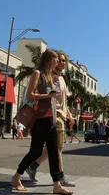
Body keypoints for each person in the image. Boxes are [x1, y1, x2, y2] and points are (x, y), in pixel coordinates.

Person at [11, 49, 73, 195]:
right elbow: (30, 95)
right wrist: (48, 95)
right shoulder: (37, 74)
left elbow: (55, 97)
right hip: (40, 119)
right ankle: (16, 177)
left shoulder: (51, 77)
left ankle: (57, 185)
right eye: (56, 60)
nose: (58, 62)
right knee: (36, 151)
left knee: (53, 152)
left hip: (51, 118)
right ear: (49, 60)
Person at [25, 50, 76, 187]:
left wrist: (70, 116)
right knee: (57, 147)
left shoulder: (62, 78)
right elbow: (38, 95)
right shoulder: (49, 77)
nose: (62, 62)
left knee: (54, 147)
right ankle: (60, 176)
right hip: (54, 114)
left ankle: (33, 166)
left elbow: (63, 101)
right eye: (59, 59)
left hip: (62, 114)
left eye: (64, 60)